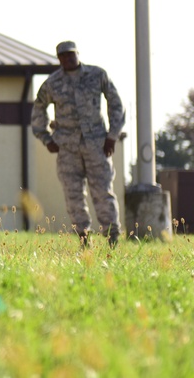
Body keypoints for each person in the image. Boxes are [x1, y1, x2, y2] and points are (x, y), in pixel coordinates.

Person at [31, 41, 125, 247]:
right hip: (67, 149)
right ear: (58, 59)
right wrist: (47, 139)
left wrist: (112, 135)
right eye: (63, 56)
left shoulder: (97, 75)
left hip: (97, 144)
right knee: (73, 195)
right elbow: (38, 111)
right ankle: (84, 238)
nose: (67, 58)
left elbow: (116, 103)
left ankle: (112, 237)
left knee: (102, 192)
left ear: (77, 54)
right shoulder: (52, 83)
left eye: (70, 54)